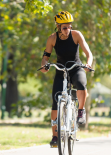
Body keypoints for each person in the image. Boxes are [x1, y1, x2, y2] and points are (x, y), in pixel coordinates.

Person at [39, 11, 93, 147]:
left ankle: (80, 111)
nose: (67, 29)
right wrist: (44, 65)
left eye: (69, 26)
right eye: (64, 27)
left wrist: (88, 63)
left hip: (76, 67)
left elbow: (88, 53)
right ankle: (55, 136)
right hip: (60, 70)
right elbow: (46, 57)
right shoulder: (52, 38)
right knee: (56, 101)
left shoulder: (76, 35)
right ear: (58, 27)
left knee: (81, 84)